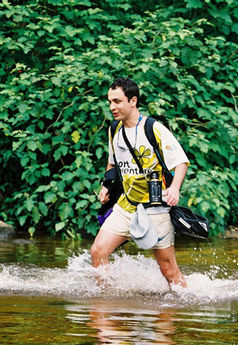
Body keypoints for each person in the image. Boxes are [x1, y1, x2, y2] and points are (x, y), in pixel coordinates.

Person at [90, 78, 189, 288]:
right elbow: (112, 163)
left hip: (156, 208)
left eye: (117, 101)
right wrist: (106, 186)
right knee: (98, 251)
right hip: (127, 205)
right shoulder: (114, 129)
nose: (112, 107)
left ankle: (185, 304)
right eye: (109, 101)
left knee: (168, 268)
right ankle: (107, 302)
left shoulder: (154, 128)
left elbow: (180, 161)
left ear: (133, 100)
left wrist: (174, 188)